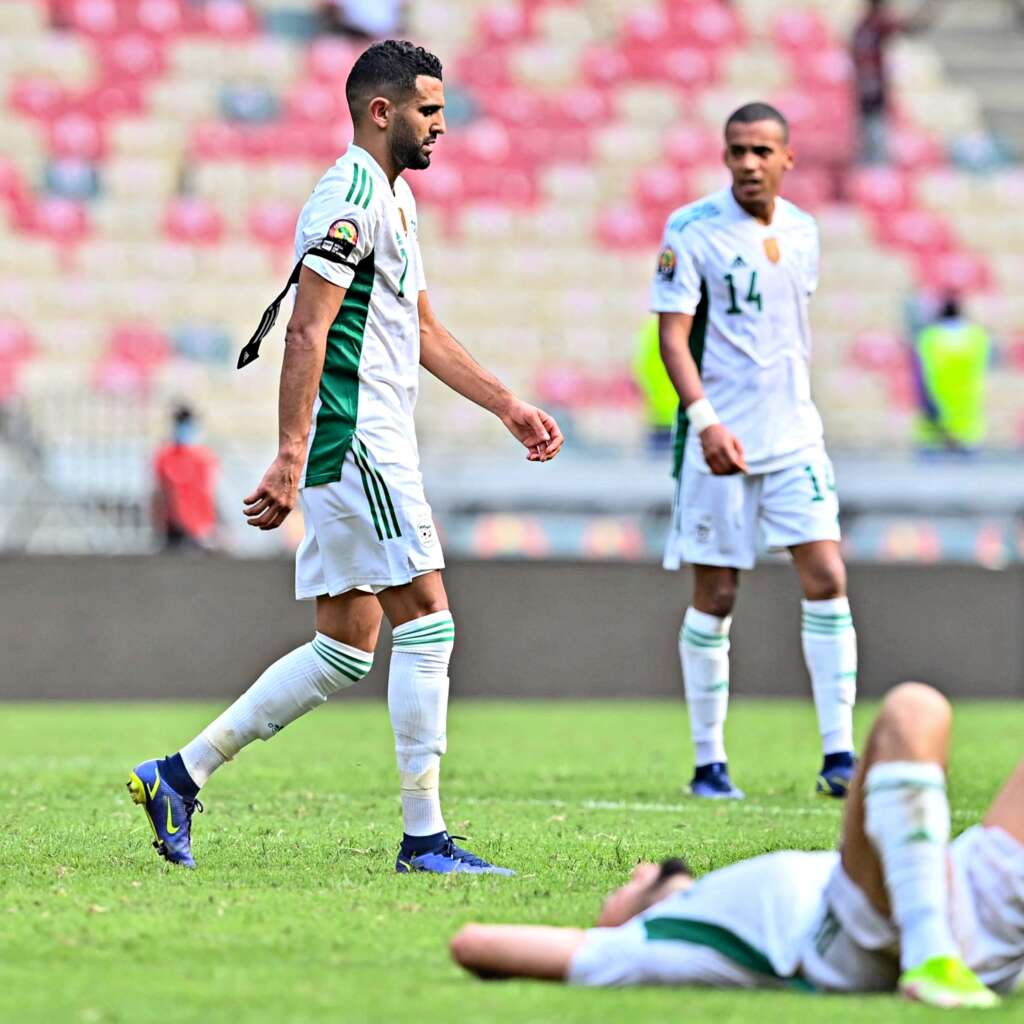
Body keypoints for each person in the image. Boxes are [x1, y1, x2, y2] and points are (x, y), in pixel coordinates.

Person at [127, 40, 564, 873]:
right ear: (381, 111)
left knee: (346, 646)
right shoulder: (351, 196)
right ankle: (425, 839)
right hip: (357, 437)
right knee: (429, 620)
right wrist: (290, 453)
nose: (441, 125)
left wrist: (507, 404)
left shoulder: (394, 199)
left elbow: (423, 330)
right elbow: (306, 328)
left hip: (369, 436)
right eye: (429, 111)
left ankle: (178, 776)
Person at [451, 681, 1019, 1009]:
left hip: (967, 889)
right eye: (615, 897)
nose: (638, 870)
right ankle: (931, 957)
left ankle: (938, 950)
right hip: (861, 932)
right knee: (914, 708)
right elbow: (474, 944)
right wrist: (605, 940)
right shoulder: (646, 944)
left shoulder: (700, 901)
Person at [652, 103, 857, 801]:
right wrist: (705, 421)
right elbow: (672, 338)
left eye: (762, 151)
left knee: (827, 576)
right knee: (717, 593)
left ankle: (840, 756)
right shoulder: (692, 231)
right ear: (724, 156)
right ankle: (708, 763)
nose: (748, 163)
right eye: (737, 150)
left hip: (795, 437)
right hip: (721, 443)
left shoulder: (803, 232)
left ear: (786, 158)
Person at [851, 0, 946, 164]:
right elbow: (910, 27)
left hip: (865, 92)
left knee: (871, 140)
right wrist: (931, 8)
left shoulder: (863, 27)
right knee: (875, 143)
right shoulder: (875, 24)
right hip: (871, 94)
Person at [912, 295, 990, 453]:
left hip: (934, 427)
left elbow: (919, 376)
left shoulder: (928, 337)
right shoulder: (977, 337)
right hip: (967, 428)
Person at [151, 404, 219, 551]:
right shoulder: (165, 456)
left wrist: (213, 525)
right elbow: (159, 493)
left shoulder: (204, 457)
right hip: (174, 528)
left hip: (201, 528)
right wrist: (160, 526)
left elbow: (210, 493)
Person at [633, 315, 678, 453]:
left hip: (658, 419)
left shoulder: (650, 330)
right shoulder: (683, 330)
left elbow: (640, 369)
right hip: (681, 419)